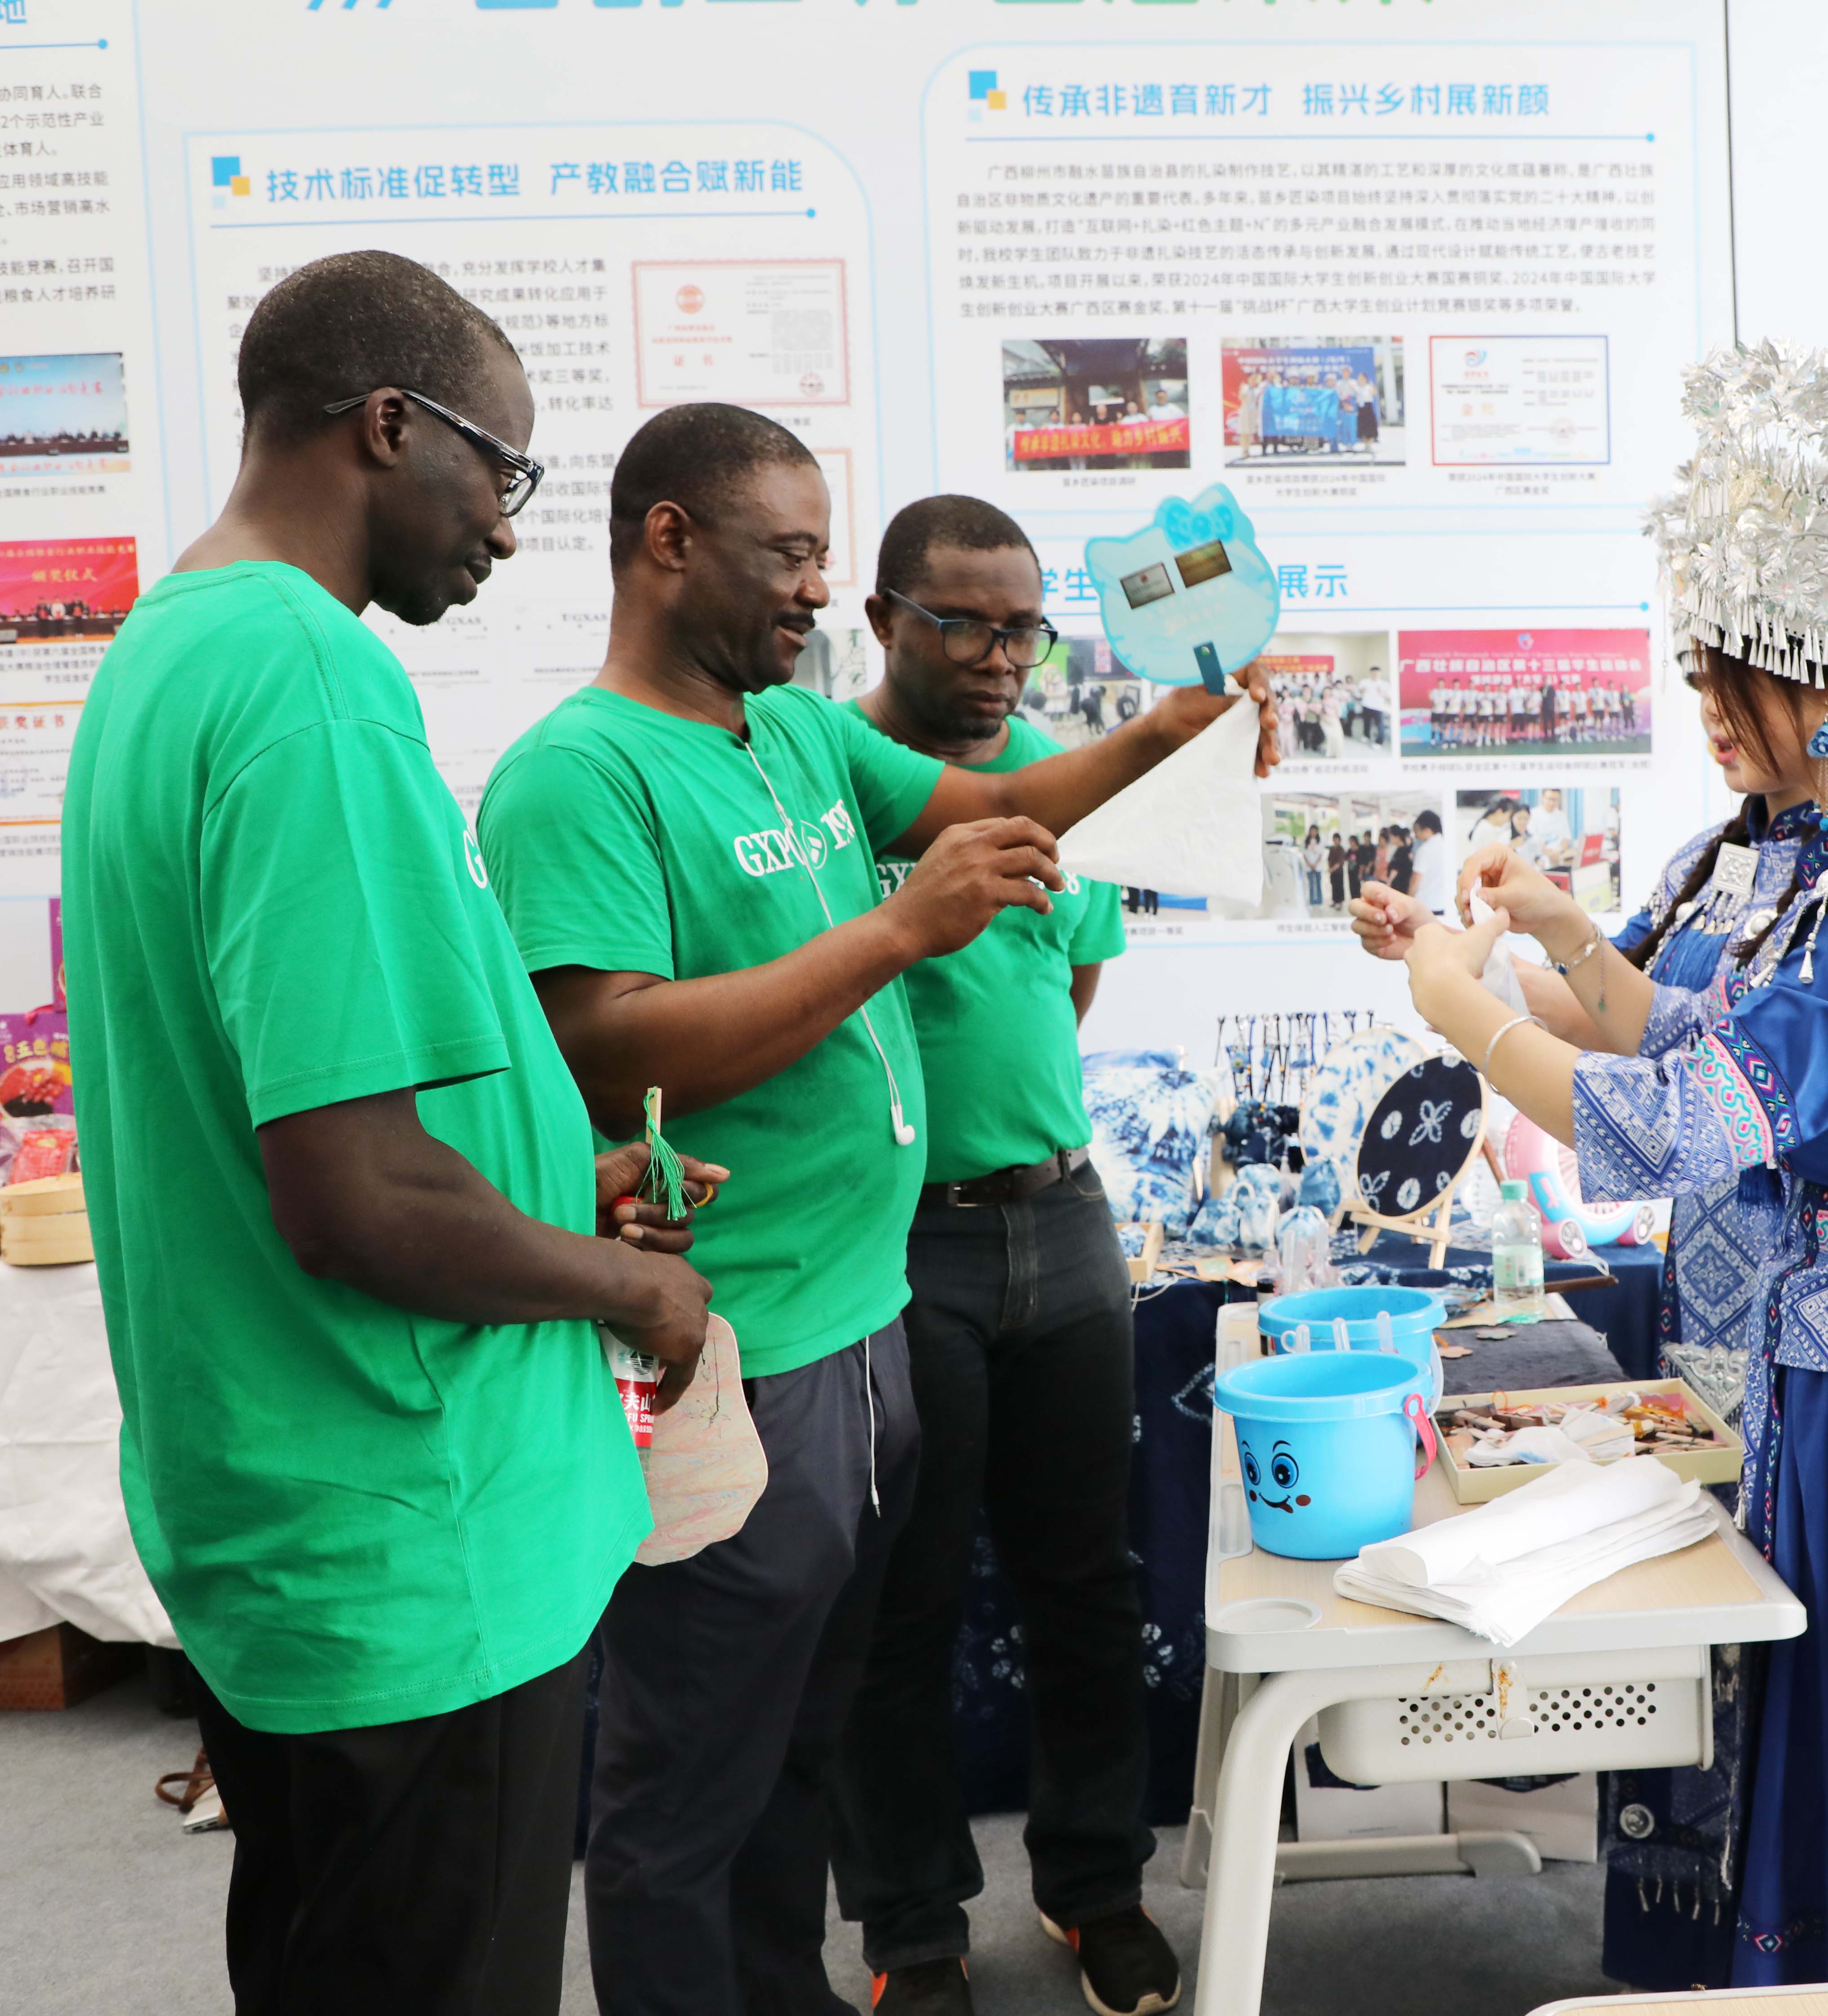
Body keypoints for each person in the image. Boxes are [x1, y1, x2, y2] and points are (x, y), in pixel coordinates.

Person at [477, 411, 1273, 2016]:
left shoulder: (789, 735)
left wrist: (1176, 723)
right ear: (668, 540)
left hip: (863, 1323)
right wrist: (901, 935)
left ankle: (797, 1985)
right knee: (690, 1775)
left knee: (798, 1731)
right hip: (734, 1337)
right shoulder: (578, 773)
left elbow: (1016, 793)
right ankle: (832, 1955)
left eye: (821, 554)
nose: (812, 589)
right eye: (789, 554)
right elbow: (604, 1043)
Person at [1346, 354, 1828, 1989]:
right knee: (1801, 1728)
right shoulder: (1802, 851)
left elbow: (1677, 1123)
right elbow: (1685, 1031)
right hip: (1818, 1365)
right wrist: (1531, 942)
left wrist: (1466, 1016)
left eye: (1731, 680)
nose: (1706, 711)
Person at [62, 250, 718, 2016]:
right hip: (415, 1537)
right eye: (502, 470)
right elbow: (352, 1193)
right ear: (384, 426)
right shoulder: (312, 684)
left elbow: (282, 1101)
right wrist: (631, 1289)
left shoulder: (169, 650)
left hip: (281, 1506)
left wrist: (549, 1181)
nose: (508, 526)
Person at [832, 495, 1180, 2016]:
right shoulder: (827, 787)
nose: (995, 657)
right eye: (960, 624)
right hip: (900, 1242)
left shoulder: (1056, 786)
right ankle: (914, 1929)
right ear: (882, 620)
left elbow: (1074, 976)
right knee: (901, 1600)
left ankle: (1096, 1888)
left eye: (1023, 629)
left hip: (1064, 1220)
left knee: (1085, 1584)